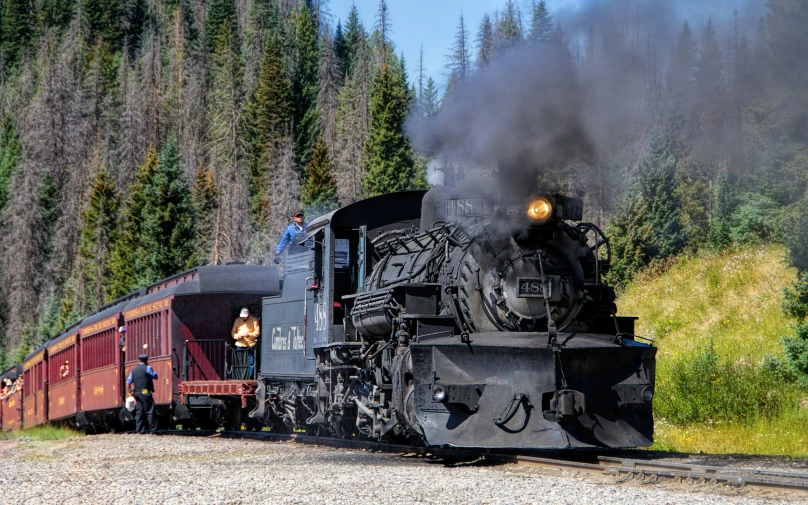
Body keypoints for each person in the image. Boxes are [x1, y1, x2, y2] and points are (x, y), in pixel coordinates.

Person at [126, 353, 159, 434]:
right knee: (150, 411)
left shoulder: (133, 370)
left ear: (139, 360)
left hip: (137, 393)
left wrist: (130, 393)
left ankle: (140, 430)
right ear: (146, 360)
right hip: (146, 392)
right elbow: (155, 376)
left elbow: (128, 383)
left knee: (139, 412)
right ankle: (153, 430)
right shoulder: (148, 368)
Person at [231, 307, 260, 379]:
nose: (243, 318)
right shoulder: (237, 320)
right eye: (242, 317)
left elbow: (257, 332)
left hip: (250, 344)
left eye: (245, 316)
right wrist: (237, 336)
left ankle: (249, 377)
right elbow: (233, 332)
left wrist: (249, 335)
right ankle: (239, 377)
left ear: (248, 314)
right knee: (239, 362)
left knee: (250, 362)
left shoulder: (254, 320)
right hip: (239, 344)